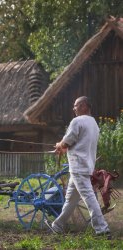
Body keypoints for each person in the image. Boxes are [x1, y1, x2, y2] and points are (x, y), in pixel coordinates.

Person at [45, 96, 111, 239]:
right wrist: (64, 147)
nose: (73, 108)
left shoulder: (77, 121)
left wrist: (59, 145)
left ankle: (102, 229)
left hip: (78, 166)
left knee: (89, 196)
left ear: (83, 106)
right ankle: (57, 225)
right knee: (70, 199)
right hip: (86, 165)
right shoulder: (93, 123)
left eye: (75, 105)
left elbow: (67, 141)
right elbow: (78, 143)